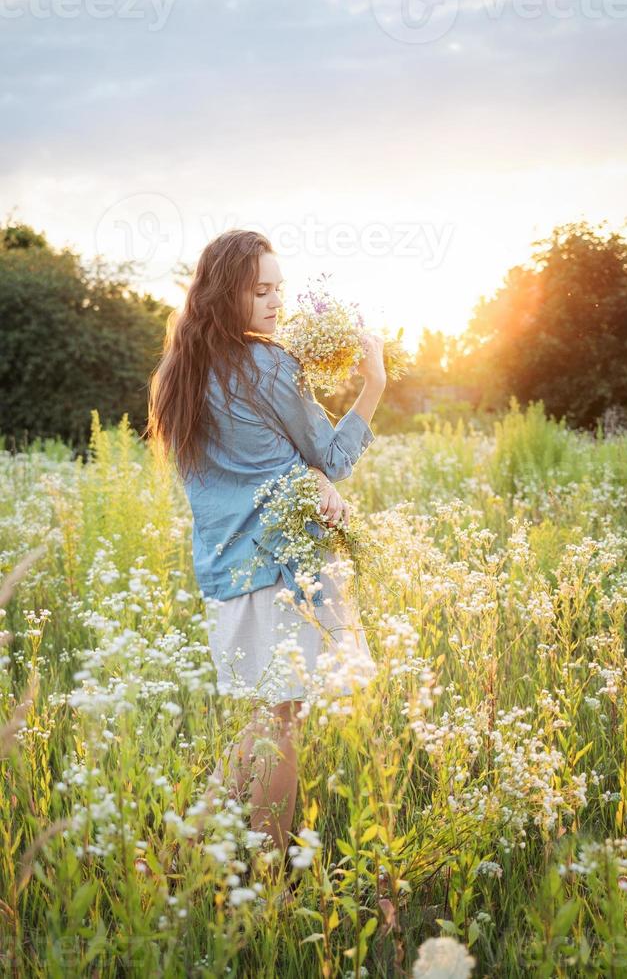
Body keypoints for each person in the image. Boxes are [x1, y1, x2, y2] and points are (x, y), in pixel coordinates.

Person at [147, 229, 386, 900]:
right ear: (228, 293)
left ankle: (174, 854)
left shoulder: (178, 374)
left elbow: (254, 471)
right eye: (261, 289)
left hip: (227, 576)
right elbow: (331, 458)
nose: (277, 301)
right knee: (280, 726)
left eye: (280, 286)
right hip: (284, 570)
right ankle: (270, 885)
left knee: (264, 721)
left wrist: (305, 477)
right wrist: (374, 385)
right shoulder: (267, 368)